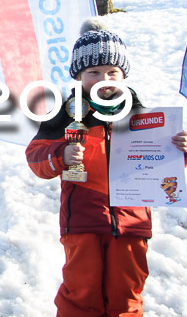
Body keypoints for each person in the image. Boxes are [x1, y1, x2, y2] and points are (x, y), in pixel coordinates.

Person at [25, 19, 187, 316]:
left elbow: (167, 166)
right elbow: (36, 158)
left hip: (133, 223)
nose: (104, 79)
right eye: (93, 72)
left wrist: (182, 151)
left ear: (123, 75)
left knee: (126, 294)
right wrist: (61, 153)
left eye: (113, 71)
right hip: (83, 221)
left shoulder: (144, 117)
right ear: (79, 75)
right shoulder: (64, 114)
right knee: (81, 293)